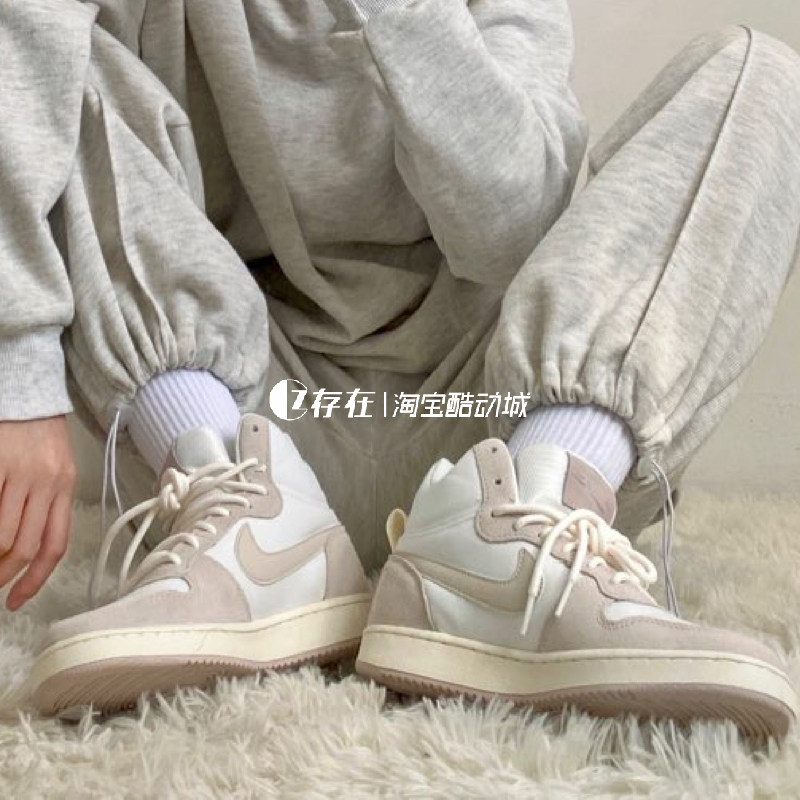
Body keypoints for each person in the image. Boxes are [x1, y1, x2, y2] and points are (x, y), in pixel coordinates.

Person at [1, 0, 799, 736]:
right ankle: (251, 535)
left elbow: (510, 232)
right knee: (57, 64)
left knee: (755, 76)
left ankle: (525, 541)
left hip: (497, 439)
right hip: (246, 432)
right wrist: (16, 373)